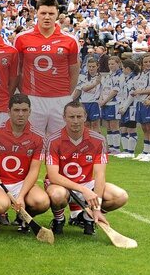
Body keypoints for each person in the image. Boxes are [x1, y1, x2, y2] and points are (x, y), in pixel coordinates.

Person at [45, 101, 130, 236]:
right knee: (57, 195)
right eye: (71, 117)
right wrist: (83, 190)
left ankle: (87, 218)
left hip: (87, 183)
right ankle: (59, 220)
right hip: (61, 185)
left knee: (120, 196)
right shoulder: (53, 140)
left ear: (85, 117)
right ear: (64, 118)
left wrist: (97, 207)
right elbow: (53, 176)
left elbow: (100, 174)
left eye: (79, 117)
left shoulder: (98, 140)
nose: (76, 121)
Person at [14, 0, 80, 137]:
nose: (47, 17)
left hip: (60, 99)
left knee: (60, 144)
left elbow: (74, 71)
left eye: (51, 14)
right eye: (43, 13)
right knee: (31, 143)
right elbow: (17, 70)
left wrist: (65, 95)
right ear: (36, 13)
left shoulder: (70, 40)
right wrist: (25, 93)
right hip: (32, 99)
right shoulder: (22, 39)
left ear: (57, 14)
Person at [0, 94, 49, 233]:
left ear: (30, 112)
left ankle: (23, 217)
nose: (20, 114)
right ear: (8, 111)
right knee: (0, 206)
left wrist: (21, 196)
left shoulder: (38, 137)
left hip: (22, 183)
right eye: (16, 110)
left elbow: (34, 170)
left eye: (24, 110)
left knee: (42, 202)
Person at [133, 54, 150, 161]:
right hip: (140, 103)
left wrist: (142, 92)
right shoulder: (141, 74)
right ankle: (146, 150)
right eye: (145, 62)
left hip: (149, 103)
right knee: (144, 128)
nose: (148, 64)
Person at [73, 57, 103, 129]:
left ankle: (97, 140)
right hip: (83, 103)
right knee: (86, 125)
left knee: (95, 125)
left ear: (97, 66)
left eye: (93, 66)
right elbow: (82, 89)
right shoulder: (82, 77)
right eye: (89, 66)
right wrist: (69, 100)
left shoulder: (101, 78)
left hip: (94, 103)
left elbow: (103, 91)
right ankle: (87, 140)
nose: (91, 68)